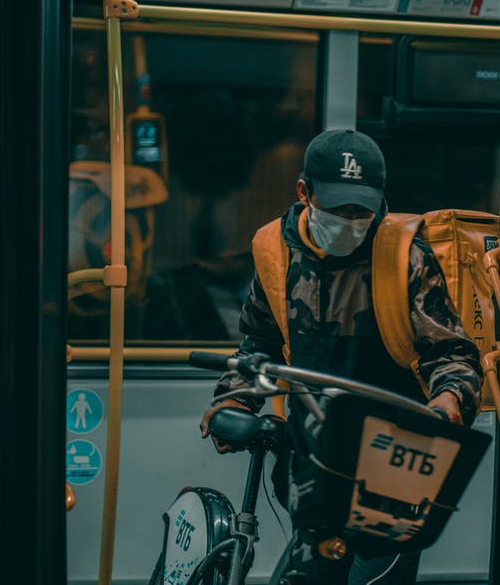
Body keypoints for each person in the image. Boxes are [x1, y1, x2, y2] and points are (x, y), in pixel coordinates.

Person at [199, 129, 483, 584]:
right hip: (312, 463)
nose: (352, 219)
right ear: (303, 192)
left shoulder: (405, 259)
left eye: (362, 209)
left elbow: (452, 355)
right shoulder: (276, 254)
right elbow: (259, 346)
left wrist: (448, 400)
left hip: (390, 468)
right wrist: (234, 400)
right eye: (338, 207)